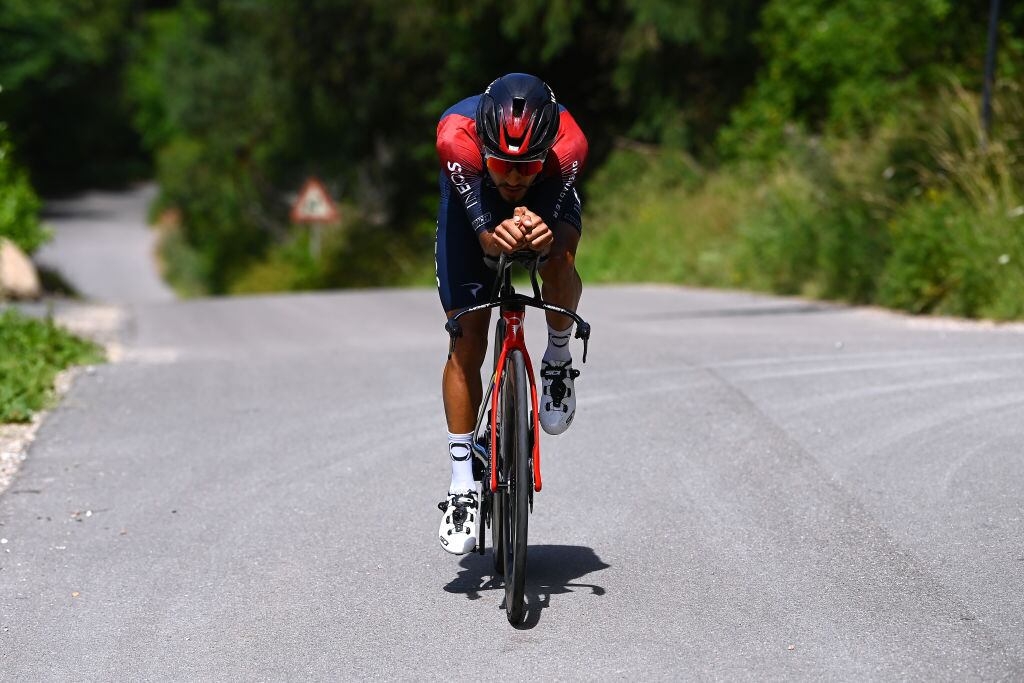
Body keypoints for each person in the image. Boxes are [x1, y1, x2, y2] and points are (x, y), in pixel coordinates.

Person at [434, 73, 588, 554]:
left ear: (546, 152)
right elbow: (485, 238)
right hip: (473, 199)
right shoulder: (456, 139)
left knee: (559, 260)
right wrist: (490, 232)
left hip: (550, 192)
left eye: (526, 166)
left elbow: (547, 224)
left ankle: (557, 359)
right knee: (467, 340)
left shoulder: (569, 146)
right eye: (504, 164)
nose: (515, 177)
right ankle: (463, 483)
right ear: (485, 147)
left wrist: (541, 230)